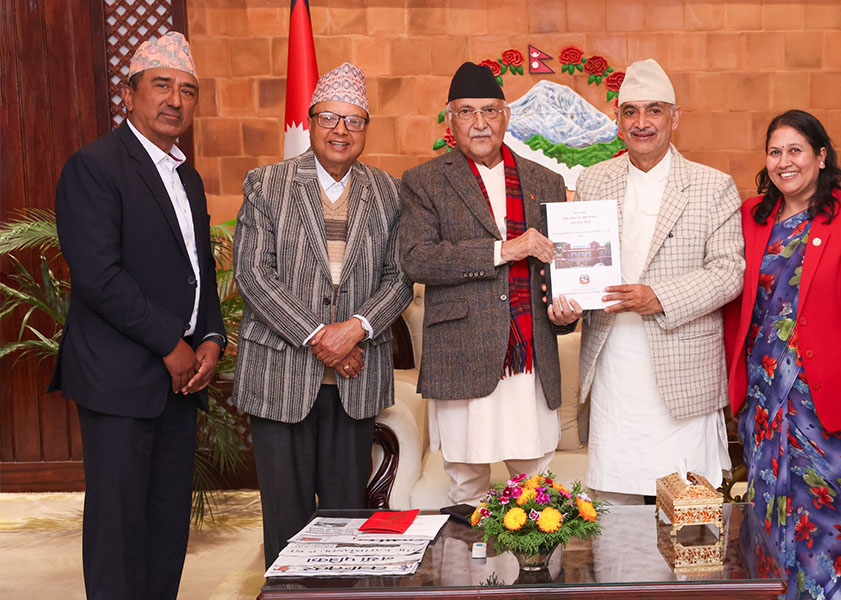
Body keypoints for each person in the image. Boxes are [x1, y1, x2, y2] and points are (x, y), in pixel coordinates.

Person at [49, 32, 226, 599]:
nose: (176, 99)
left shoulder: (189, 177)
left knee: (165, 528)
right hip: (120, 379)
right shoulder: (95, 166)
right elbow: (98, 275)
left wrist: (212, 339)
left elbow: (200, 272)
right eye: (162, 85)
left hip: (181, 383)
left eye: (189, 91)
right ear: (129, 94)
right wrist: (172, 344)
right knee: (117, 532)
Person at [232, 62, 413, 568]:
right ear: (309, 122)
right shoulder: (267, 185)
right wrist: (319, 337)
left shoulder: (388, 192)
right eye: (330, 118)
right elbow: (252, 274)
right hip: (280, 379)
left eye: (354, 121)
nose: (341, 130)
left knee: (344, 524)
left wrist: (355, 329)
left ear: (365, 131)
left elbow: (399, 278)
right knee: (286, 523)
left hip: (354, 385)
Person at [723, 110, 841, 600]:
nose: (785, 162)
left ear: (821, 157)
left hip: (832, 400)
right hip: (764, 402)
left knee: (827, 526)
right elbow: (735, 307)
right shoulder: (750, 218)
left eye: (796, 150)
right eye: (775, 152)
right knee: (765, 521)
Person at [565, 58, 744, 505]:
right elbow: (578, 267)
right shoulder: (592, 181)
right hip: (613, 366)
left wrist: (657, 297)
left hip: (682, 367)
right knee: (615, 502)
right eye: (630, 112)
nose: (642, 123)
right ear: (618, 120)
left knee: (686, 509)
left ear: (674, 117)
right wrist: (566, 300)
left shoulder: (712, 185)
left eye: (654, 110)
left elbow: (729, 272)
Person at [398, 62, 578, 505]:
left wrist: (567, 311)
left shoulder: (546, 181)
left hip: (528, 358)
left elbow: (562, 271)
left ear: (506, 116)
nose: (479, 122)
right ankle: (465, 575)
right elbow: (417, 260)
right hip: (461, 354)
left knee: (536, 490)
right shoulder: (424, 181)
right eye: (466, 112)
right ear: (450, 120)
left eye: (490, 110)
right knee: (466, 489)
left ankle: (536, 571)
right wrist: (503, 250)